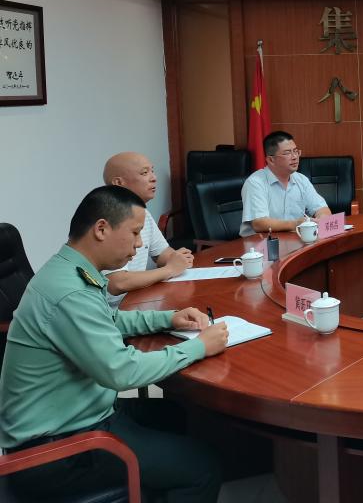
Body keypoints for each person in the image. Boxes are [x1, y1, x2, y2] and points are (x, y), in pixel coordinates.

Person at [0, 185, 229, 502]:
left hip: (79, 416)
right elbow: (122, 372)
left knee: (178, 415)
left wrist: (169, 319)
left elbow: (107, 320)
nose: (139, 244)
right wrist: (199, 346)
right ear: (101, 229)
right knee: (202, 468)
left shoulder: (69, 270)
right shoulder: (70, 291)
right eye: (134, 233)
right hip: (57, 452)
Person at [102, 151, 193, 307]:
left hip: (140, 300)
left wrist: (179, 258)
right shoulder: (108, 219)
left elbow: (163, 255)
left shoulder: (143, 213)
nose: (153, 178)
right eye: (145, 173)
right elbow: (118, 283)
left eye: (152, 171)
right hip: (112, 311)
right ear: (118, 183)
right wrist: (170, 269)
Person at [239, 131, 330, 236]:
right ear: (271, 160)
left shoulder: (301, 179)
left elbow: (322, 208)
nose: (294, 157)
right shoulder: (255, 183)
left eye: (295, 151)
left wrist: (321, 220)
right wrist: (295, 224)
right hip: (261, 242)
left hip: (294, 239)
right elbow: (259, 223)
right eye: (287, 153)